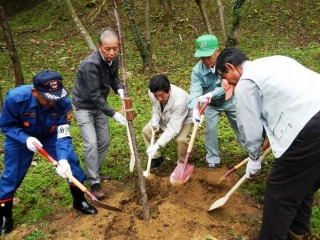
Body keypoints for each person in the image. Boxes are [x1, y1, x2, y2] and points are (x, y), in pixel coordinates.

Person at [216, 47, 320, 240]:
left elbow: (249, 125)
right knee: (304, 183)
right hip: (312, 116)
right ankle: (298, 232)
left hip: (311, 125)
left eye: (225, 76)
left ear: (231, 67)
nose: (228, 82)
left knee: (278, 192)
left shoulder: (247, 82)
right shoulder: (276, 59)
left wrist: (254, 157)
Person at [0, 70, 98, 236]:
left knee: (71, 165)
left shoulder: (63, 103)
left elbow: (63, 134)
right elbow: (6, 126)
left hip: (50, 134)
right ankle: (4, 216)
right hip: (20, 138)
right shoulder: (15, 99)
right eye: (47, 98)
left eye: (56, 97)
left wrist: (63, 159)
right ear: (34, 92)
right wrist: (25, 139)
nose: (53, 102)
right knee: (11, 175)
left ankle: (79, 201)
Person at [72, 27, 127, 200]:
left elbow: (114, 78)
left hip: (100, 106)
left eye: (115, 49)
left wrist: (120, 90)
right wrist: (114, 114)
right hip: (84, 107)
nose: (112, 53)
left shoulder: (113, 60)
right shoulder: (90, 65)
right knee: (91, 143)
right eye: (107, 49)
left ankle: (92, 171)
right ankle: (94, 183)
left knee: (104, 141)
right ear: (99, 47)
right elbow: (94, 95)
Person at [188, 34, 244, 169]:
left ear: (217, 51)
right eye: (202, 57)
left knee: (241, 125)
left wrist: (211, 94)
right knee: (210, 129)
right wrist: (195, 108)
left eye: (208, 56)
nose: (206, 60)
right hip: (211, 105)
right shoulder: (197, 71)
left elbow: (228, 86)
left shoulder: (227, 64)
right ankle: (213, 159)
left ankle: (253, 153)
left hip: (230, 99)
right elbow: (195, 90)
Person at [143, 74, 193, 168]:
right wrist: (155, 119)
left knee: (180, 140)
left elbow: (173, 128)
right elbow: (156, 107)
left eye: (162, 95)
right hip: (164, 115)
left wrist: (158, 144)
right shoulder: (152, 91)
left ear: (169, 89)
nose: (159, 98)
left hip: (184, 118)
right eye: (156, 96)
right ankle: (156, 158)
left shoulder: (180, 99)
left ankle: (182, 163)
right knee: (146, 131)